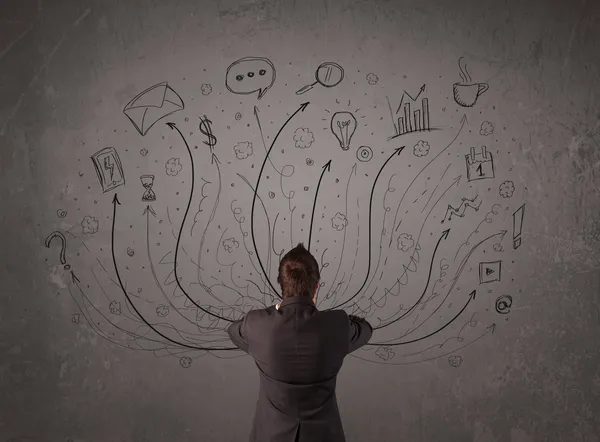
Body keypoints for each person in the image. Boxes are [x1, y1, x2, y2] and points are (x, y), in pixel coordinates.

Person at [227, 242, 373, 442]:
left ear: (281, 283)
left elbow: (234, 330)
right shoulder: (337, 325)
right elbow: (365, 329)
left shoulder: (257, 324)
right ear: (317, 286)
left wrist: (275, 309)